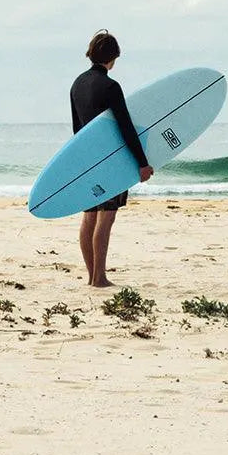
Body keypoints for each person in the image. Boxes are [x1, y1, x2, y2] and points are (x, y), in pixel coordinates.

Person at [70, 30, 154, 287]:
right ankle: (100, 278)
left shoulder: (77, 85)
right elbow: (125, 127)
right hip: (110, 162)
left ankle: (92, 276)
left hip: (87, 160)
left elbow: (77, 130)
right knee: (106, 216)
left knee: (90, 216)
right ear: (113, 57)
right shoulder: (110, 87)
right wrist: (142, 163)